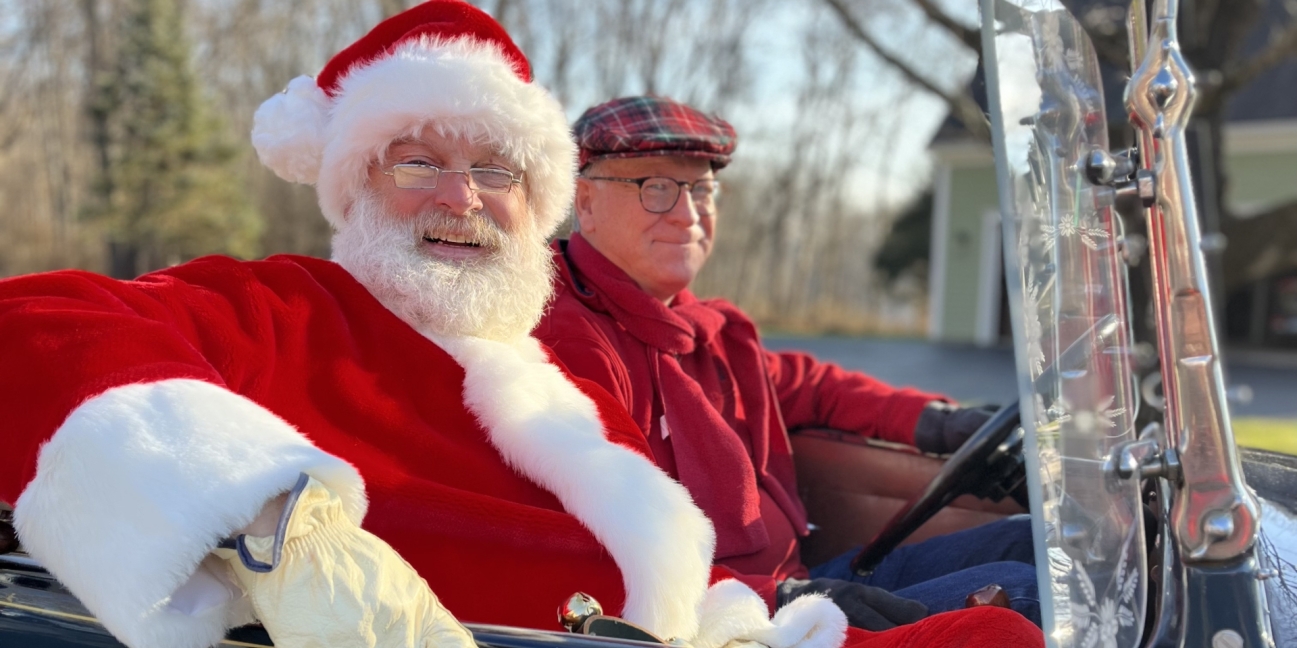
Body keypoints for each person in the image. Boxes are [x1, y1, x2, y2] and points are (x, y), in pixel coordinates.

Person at [0, 3, 1041, 648]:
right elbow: (34, 323)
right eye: (417, 161)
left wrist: (770, 621)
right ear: (353, 182)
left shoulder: (546, 384)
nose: (460, 197)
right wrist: (275, 519)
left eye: (494, 170)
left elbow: (695, 567)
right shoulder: (286, 305)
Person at [533, 95, 1040, 628]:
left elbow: (815, 387)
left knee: (1031, 542)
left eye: (702, 189)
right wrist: (779, 598)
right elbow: (610, 549)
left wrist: (941, 422)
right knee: (1025, 594)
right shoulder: (568, 343)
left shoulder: (708, 332)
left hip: (802, 584)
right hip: (726, 619)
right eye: (656, 188)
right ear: (585, 202)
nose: (688, 215)